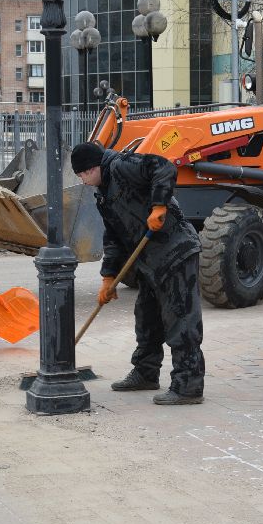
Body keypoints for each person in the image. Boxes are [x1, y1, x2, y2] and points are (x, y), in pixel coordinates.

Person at [69, 140, 205, 405]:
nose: (83, 181)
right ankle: (146, 373)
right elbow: (113, 235)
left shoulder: (122, 166)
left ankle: (188, 384)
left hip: (176, 251)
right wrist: (108, 278)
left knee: (180, 318)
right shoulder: (102, 193)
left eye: (84, 174)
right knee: (147, 318)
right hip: (149, 260)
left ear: (93, 167)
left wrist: (158, 205)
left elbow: (163, 167)